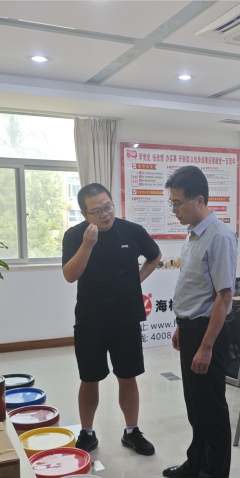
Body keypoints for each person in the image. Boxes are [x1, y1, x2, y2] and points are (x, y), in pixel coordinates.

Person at [62, 183, 162, 456]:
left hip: (126, 317)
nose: (105, 214)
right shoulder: (75, 236)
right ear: (84, 214)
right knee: (89, 379)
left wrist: (134, 282)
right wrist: (87, 245)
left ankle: (132, 431)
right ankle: (87, 432)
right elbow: (70, 275)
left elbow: (154, 257)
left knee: (128, 377)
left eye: (108, 207)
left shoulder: (132, 231)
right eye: (97, 211)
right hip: (90, 320)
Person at [161, 166, 237, 478]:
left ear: (200, 200)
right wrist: (182, 324)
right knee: (195, 405)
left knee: (211, 409)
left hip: (209, 333)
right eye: (172, 202)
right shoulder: (193, 233)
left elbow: (224, 297)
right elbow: (195, 287)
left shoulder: (220, 236)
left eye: (178, 203)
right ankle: (196, 461)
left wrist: (206, 346)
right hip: (192, 328)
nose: (174, 209)